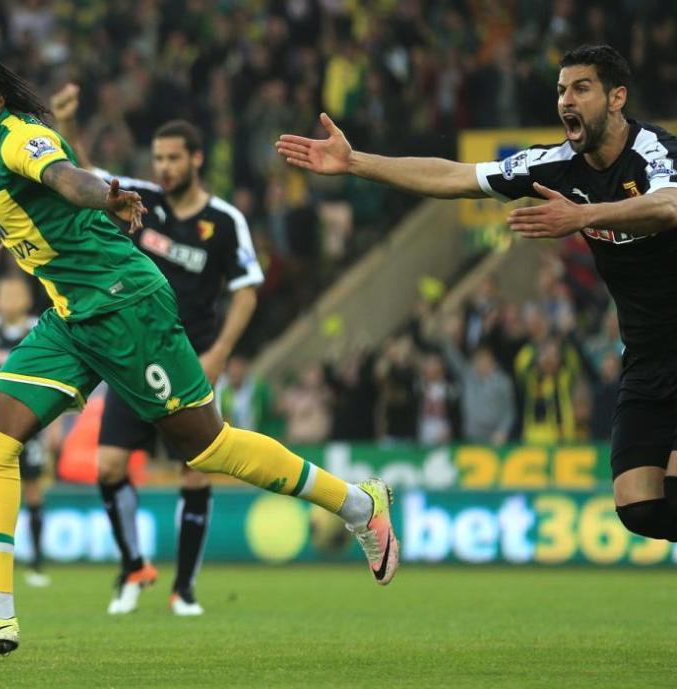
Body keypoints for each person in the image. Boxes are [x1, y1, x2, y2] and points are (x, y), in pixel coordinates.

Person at [0, 50, 397, 656]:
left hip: (125, 310)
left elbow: (66, 176)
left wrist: (105, 193)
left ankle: (357, 504)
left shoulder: (16, 140)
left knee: (209, 447)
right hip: (72, 317)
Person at [277, 44, 677, 543]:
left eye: (581, 88)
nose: (566, 101)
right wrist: (356, 161)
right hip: (646, 356)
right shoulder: (554, 166)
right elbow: (455, 176)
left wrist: (584, 216)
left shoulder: (653, 151)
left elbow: (668, 206)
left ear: (617, 97)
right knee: (638, 507)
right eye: (560, 90)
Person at [52, 84, 263, 617]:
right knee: (109, 466)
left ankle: (184, 589)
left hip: (191, 358)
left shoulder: (224, 221)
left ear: (196, 159)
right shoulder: (143, 198)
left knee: (197, 468)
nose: (164, 168)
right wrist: (69, 126)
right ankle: (133, 568)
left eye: (173, 158)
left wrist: (218, 355)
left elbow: (247, 290)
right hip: (132, 356)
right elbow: (89, 174)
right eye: (158, 159)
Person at [0, 274, 51, 588]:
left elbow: (54, 381)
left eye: (15, 292)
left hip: (31, 423)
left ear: (26, 298)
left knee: (33, 488)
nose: (9, 298)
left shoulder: (41, 329)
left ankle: (36, 562)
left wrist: (57, 424)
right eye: (3, 292)